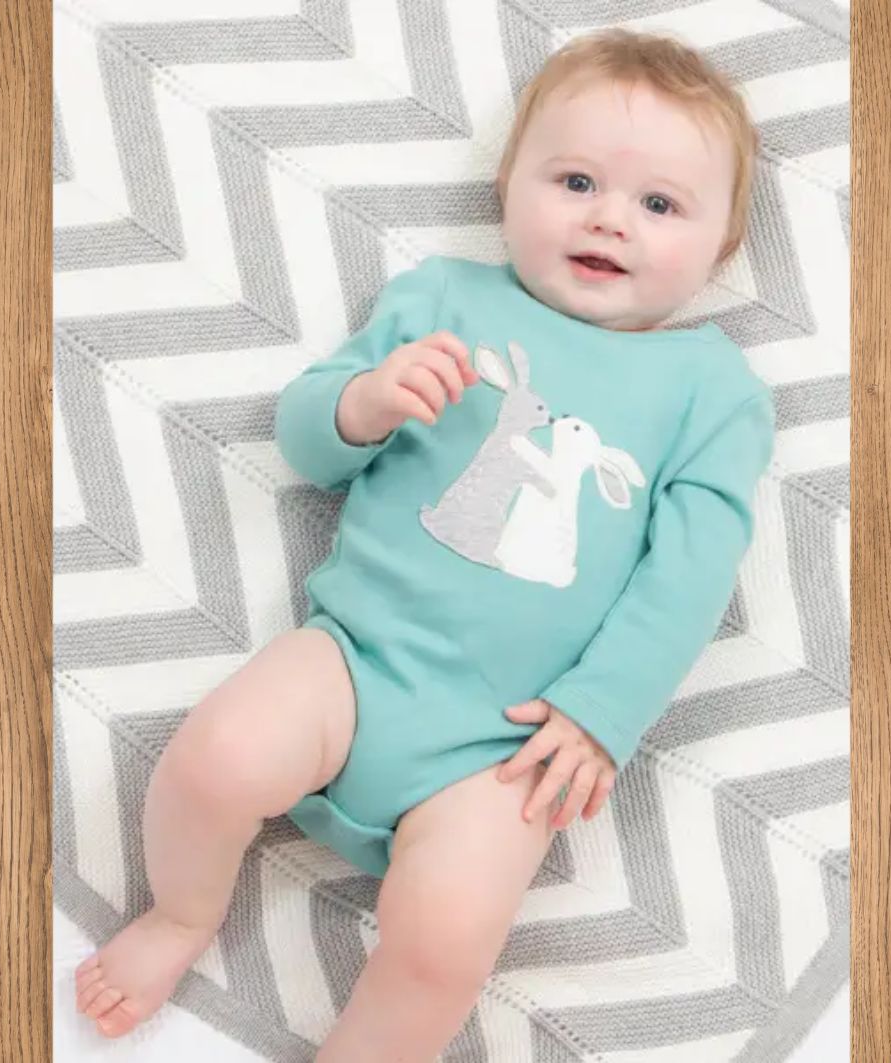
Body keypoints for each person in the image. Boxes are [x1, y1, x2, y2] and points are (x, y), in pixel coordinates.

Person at [74, 27, 774, 1062]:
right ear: (509, 183)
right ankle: (181, 913)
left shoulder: (710, 390)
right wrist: (362, 403)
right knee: (212, 759)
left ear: (719, 247)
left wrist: (604, 711)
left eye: (660, 205)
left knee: (446, 942)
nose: (608, 217)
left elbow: (691, 571)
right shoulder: (444, 299)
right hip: (355, 659)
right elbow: (306, 438)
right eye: (575, 180)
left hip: (505, 747)